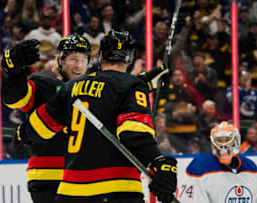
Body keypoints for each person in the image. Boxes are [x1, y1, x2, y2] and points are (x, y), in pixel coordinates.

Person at [20, 30, 177, 203]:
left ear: (100, 55)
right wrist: (158, 161)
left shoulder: (71, 87)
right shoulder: (132, 85)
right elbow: (133, 134)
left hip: (70, 193)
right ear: (130, 58)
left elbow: (39, 128)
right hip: (116, 190)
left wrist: (23, 134)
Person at [1, 34, 92, 203]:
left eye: (83, 60)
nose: (79, 65)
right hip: (49, 178)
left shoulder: (94, 91)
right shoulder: (44, 84)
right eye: (73, 59)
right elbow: (15, 98)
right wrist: (15, 72)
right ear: (60, 60)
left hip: (83, 178)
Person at [185, 121, 257, 202]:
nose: (224, 146)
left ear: (236, 142)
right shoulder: (200, 166)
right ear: (213, 144)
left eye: (227, 140)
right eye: (220, 141)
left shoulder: (251, 168)